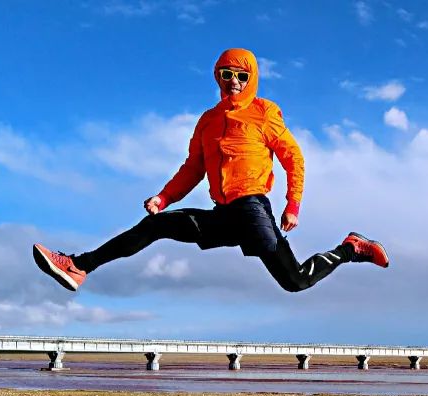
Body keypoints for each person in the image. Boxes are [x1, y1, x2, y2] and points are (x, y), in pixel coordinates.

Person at [32, 47, 388, 294]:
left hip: (252, 209)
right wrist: (164, 196)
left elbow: (293, 157)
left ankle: (349, 248)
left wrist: (293, 204)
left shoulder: (264, 112)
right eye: (226, 74)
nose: (233, 80)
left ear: (252, 78)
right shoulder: (208, 121)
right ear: (218, 76)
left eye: (241, 75)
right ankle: (78, 266)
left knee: (294, 282)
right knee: (157, 224)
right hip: (223, 213)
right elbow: (193, 167)